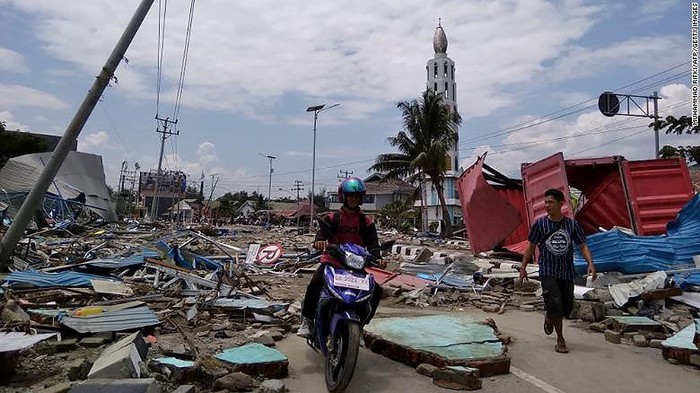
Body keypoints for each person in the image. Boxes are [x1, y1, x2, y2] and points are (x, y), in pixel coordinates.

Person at [297, 177, 384, 338]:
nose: (353, 199)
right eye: (350, 195)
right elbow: (322, 232)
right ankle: (307, 320)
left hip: (355, 266)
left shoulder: (366, 222)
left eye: (356, 196)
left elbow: (373, 243)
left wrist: (378, 257)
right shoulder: (333, 218)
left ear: (361, 198)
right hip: (333, 262)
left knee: (376, 291)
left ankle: (362, 325)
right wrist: (319, 241)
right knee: (315, 283)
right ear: (343, 196)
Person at [519, 188, 596, 354]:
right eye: (545, 202)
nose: (547, 205)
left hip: (566, 271)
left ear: (561, 203)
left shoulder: (571, 225)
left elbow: (582, 245)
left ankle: (549, 316)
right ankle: (560, 338)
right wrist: (523, 267)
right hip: (548, 269)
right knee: (555, 303)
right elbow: (531, 247)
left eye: (551, 202)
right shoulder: (540, 224)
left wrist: (590, 263)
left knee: (567, 307)